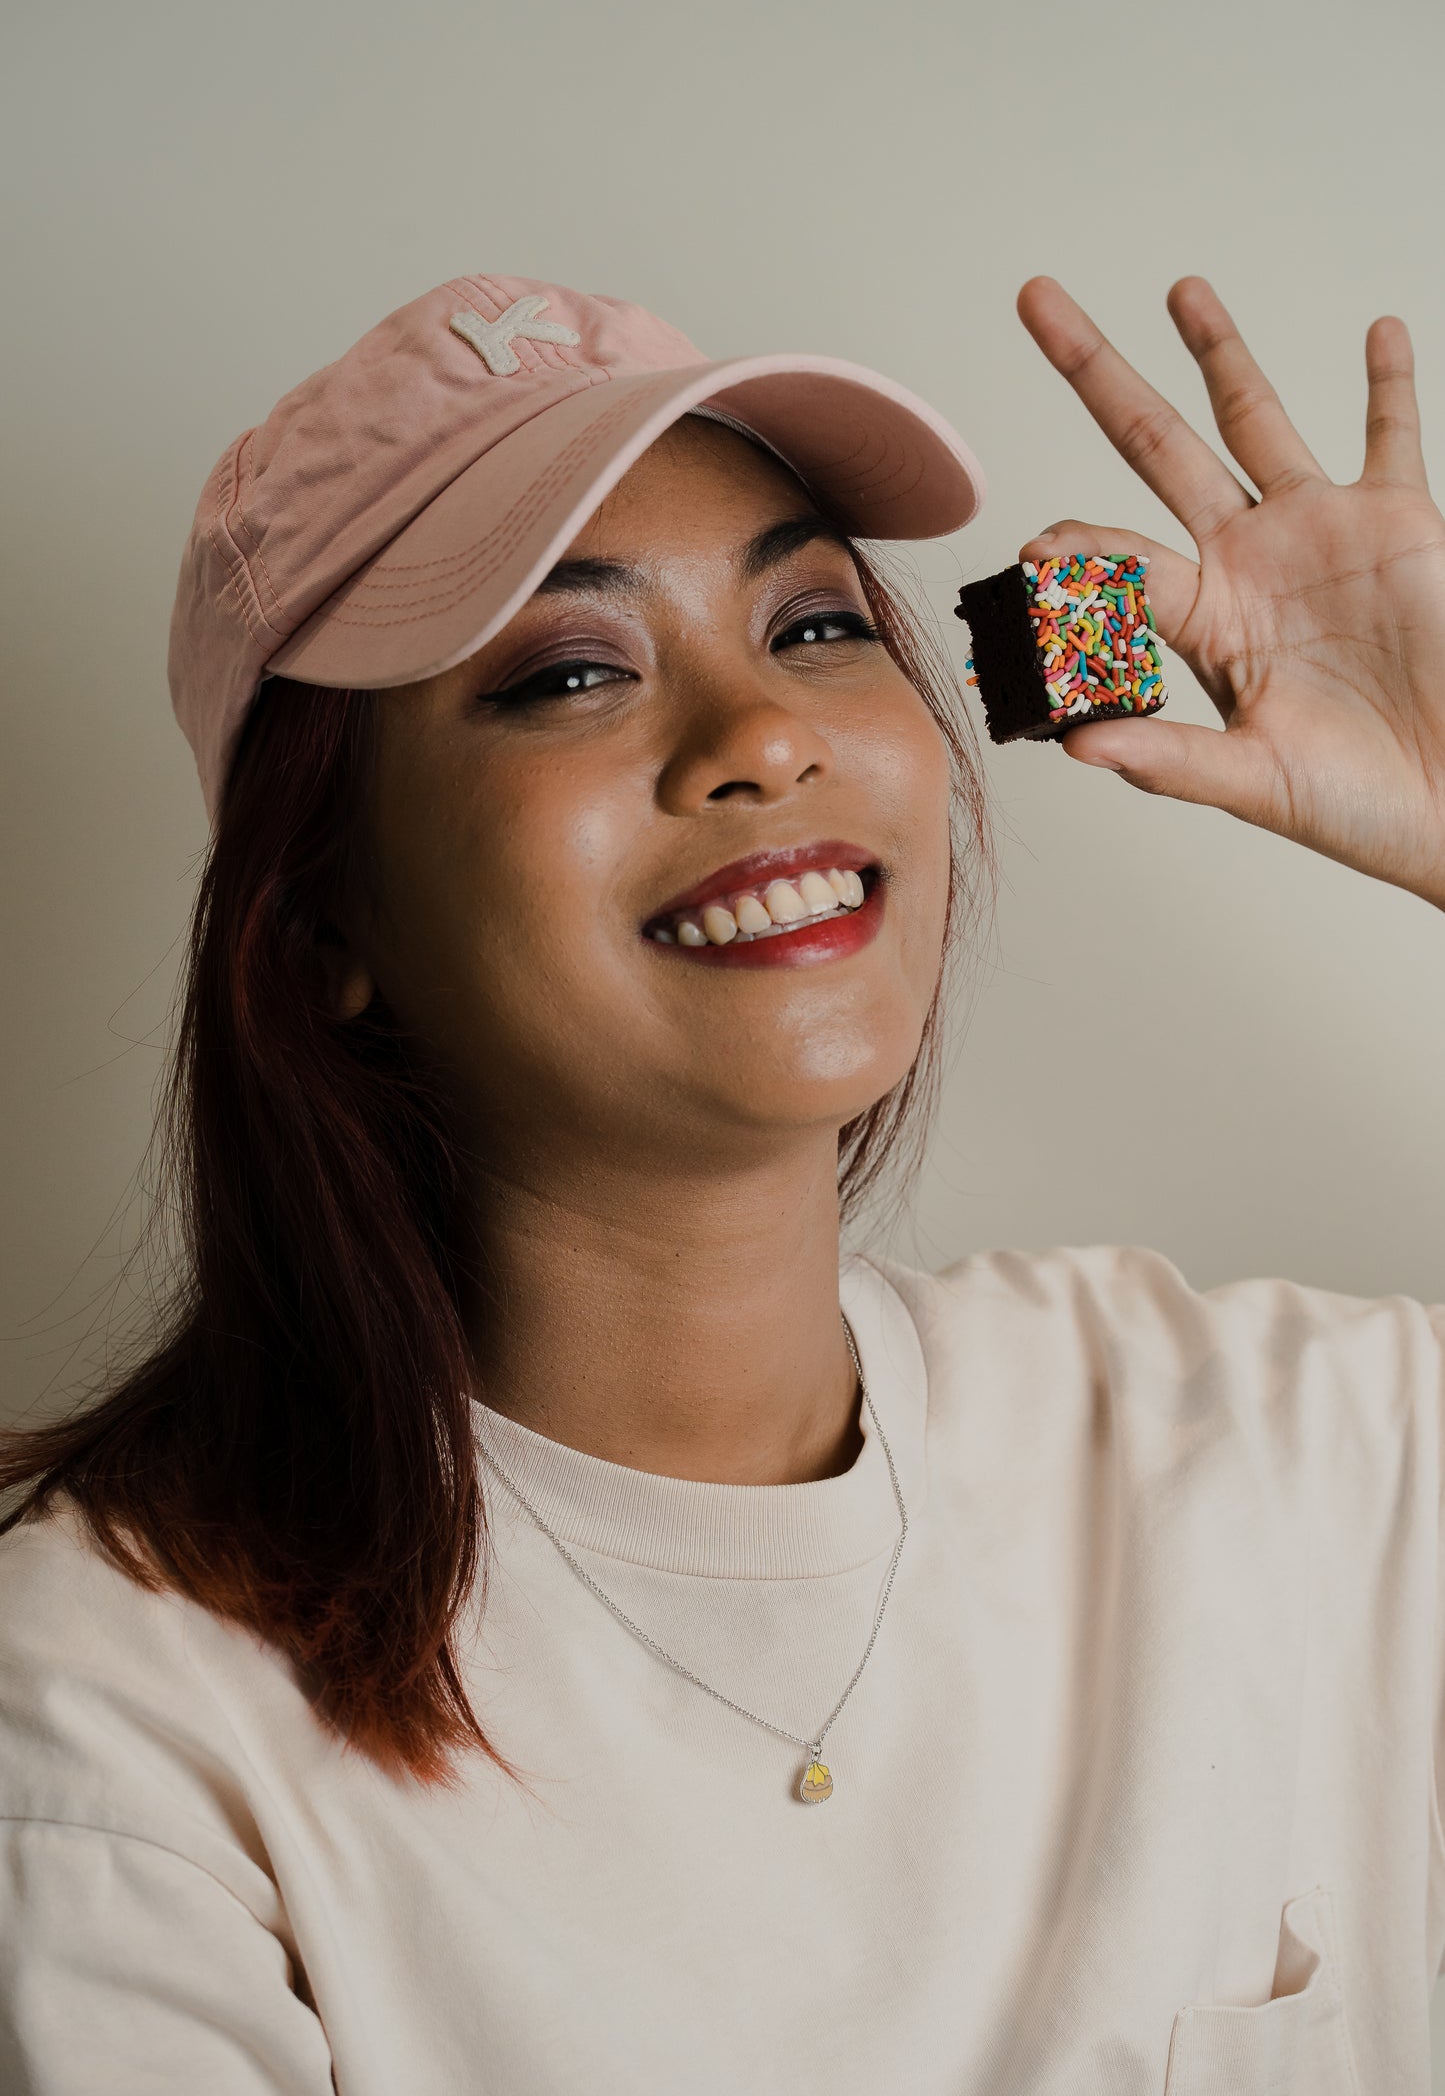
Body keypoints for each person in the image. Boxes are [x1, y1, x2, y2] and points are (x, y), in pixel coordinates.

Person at [0, 265, 1441, 2095]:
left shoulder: (1277, 1454)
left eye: (820, 627)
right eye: (569, 672)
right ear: (322, 919)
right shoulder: (113, 1718)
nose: (766, 735)